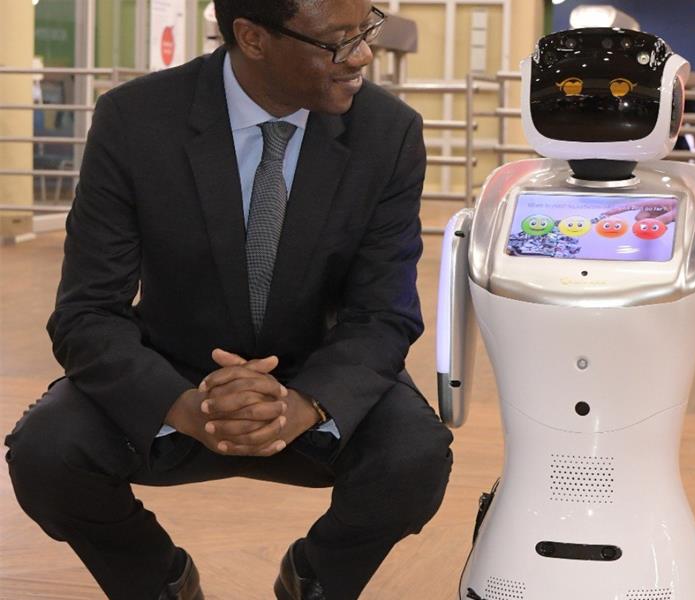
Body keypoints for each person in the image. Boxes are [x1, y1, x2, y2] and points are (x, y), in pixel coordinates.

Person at [4, 1, 454, 599]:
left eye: (365, 29)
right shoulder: (136, 120)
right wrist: (183, 405)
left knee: (416, 456)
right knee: (45, 453)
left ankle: (314, 578)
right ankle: (159, 581)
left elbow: (383, 313)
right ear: (253, 38)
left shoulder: (387, 132)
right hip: (170, 376)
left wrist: (305, 403)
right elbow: (86, 311)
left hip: (318, 380)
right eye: (338, 41)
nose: (363, 55)